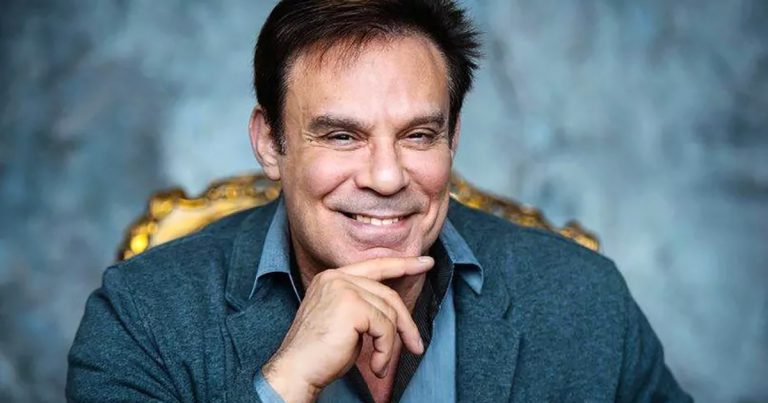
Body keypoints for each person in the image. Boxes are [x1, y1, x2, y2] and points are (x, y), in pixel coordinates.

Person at [67, 0, 692, 402]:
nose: (388, 178)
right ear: (270, 143)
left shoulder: (584, 298)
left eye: (418, 135)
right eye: (342, 136)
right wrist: (285, 382)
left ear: (452, 138)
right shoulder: (141, 318)